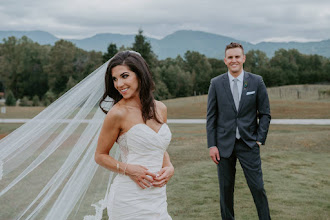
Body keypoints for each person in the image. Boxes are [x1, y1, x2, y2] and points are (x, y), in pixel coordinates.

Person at [94, 50, 174, 219]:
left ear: (140, 75)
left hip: (157, 196)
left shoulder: (160, 108)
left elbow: (158, 147)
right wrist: (129, 170)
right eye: (115, 79)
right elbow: (100, 155)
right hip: (129, 197)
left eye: (124, 76)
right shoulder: (117, 114)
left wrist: (169, 167)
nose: (119, 84)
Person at [206, 42, 271, 220]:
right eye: (230, 57)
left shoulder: (257, 81)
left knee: (258, 187)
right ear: (225, 60)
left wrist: (259, 138)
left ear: (243, 58)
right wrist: (212, 145)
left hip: (249, 143)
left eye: (237, 57)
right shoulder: (216, 83)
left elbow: (265, 113)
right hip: (223, 146)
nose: (234, 60)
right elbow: (211, 117)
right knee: (226, 191)